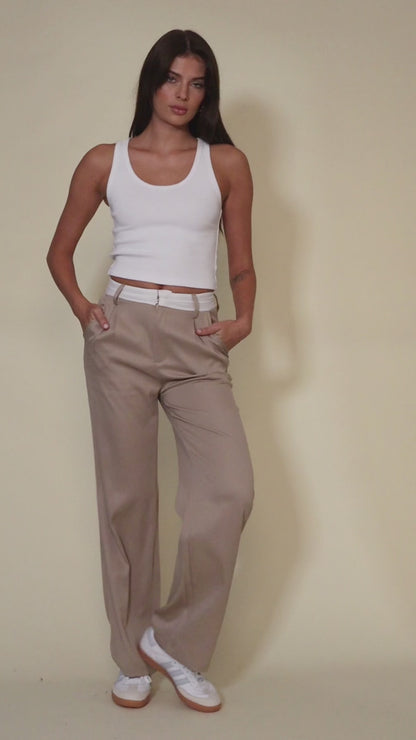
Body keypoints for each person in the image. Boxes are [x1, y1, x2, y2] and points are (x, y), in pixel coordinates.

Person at [47, 28, 255, 713]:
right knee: (127, 502)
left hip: (197, 339)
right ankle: (131, 659)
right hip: (123, 335)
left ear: (207, 92)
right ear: (151, 82)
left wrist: (244, 317)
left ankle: (173, 642)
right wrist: (84, 310)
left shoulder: (225, 163)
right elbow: (59, 252)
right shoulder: (104, 161)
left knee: (229, 489)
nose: (182, 94)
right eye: (172, 79)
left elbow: (242, 261)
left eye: (197, 83)